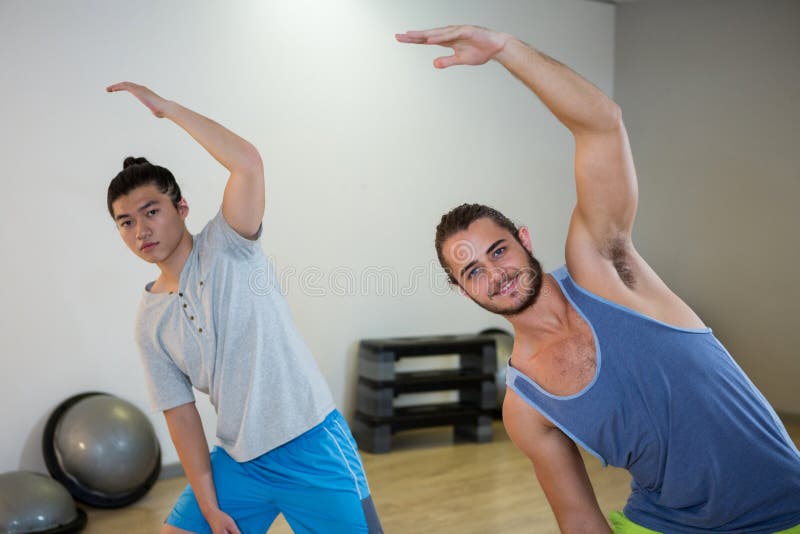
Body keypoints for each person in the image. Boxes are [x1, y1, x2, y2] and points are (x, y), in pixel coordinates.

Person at [397, 25, 800, 534]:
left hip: (788, 510)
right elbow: (579, 518)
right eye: (473, 270)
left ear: (523, 239)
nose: (495, 274)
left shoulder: (603, 270)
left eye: (498, 250)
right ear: (461, 289)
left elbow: (602, 127)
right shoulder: (524, 406)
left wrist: (506, 50)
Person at [106, 82, 383, 534]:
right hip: (240, 460)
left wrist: (170, 110)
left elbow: (247, 163)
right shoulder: (149, 322)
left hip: (311, 444)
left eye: (151, 211)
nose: (141, 230)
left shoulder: (228, 244)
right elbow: (182, 417)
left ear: (181, 207)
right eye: (126, 221)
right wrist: (210, 508)